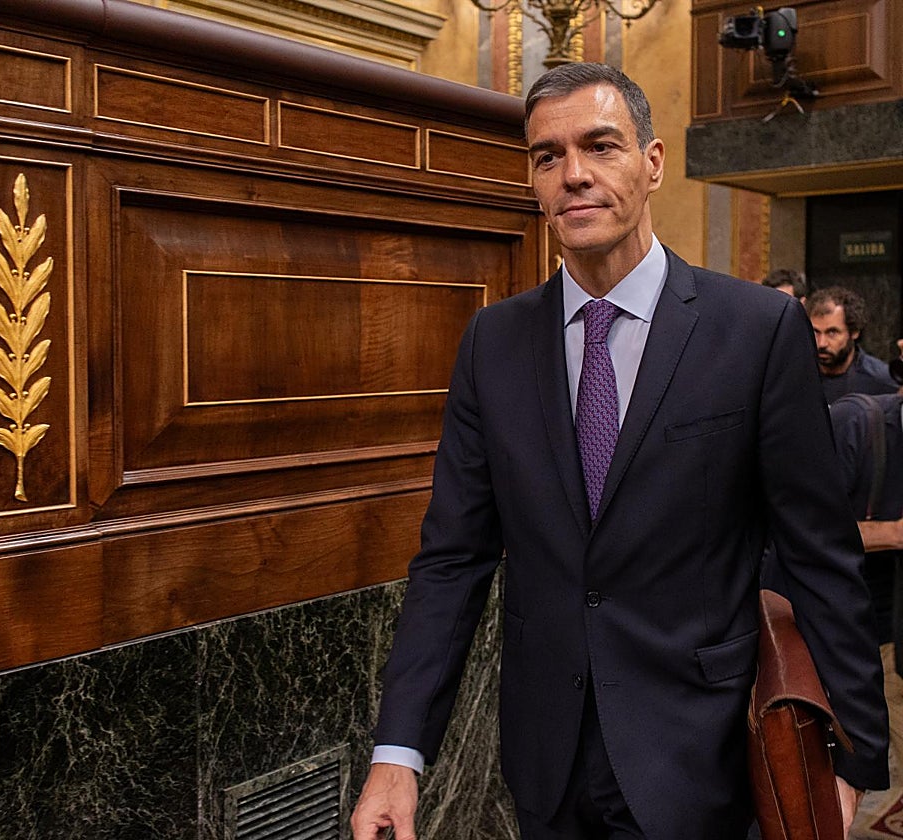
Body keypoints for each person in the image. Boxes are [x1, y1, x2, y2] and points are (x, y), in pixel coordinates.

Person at [351, 62, 887, 840]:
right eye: (547, 156)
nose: (573, 175)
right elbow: (452, 561)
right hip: (545, 759)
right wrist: (397, 755)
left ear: (653, 161)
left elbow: (819, 554)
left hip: (703, 757)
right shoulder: (493, 343)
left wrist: (854, 759)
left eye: (601, 146)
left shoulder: (754, 331)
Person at [830, 389, 903, 788]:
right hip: (832, 630)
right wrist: (893, 533)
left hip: (892, 629)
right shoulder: (856, 424)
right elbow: (808, 530)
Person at [807, 285, 897, 403]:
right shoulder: (798, 375)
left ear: (854, 332)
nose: (822, 343)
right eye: (816, 332)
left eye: (832, 332)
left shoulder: (881, 381)